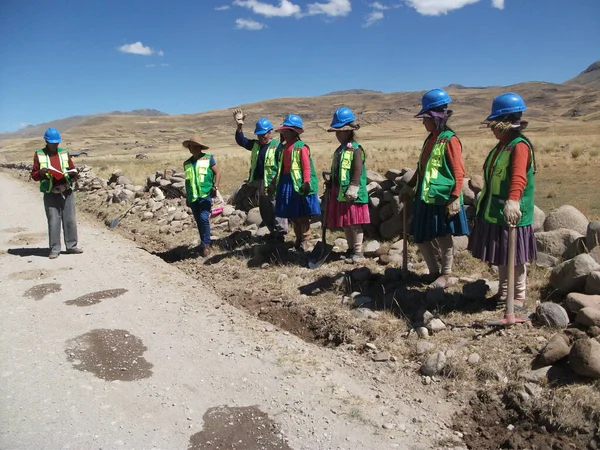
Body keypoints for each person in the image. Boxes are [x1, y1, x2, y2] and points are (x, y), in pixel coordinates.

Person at [468, 93, 537, 311]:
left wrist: (513, 201)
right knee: (502, 257)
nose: (491, 129)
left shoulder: (519, 146)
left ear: (504, 123)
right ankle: (504, 293)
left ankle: (518, 296)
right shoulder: (501, 146)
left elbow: (518, 176)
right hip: (496, 210)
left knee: (515, 257)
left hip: (512, 212)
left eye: (493, 124)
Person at [401, 89, 469, 288]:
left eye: (425, 118)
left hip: (441, 197)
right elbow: (422, 168)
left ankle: (446, 274)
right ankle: (433, 271)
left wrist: (455, 196)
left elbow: (458, 170)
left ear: (434, 117)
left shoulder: (450, 139)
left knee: (442, 236)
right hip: (426, 196)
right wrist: (409, 185)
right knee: (421, 236)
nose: (423, 122)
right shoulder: (430, 139)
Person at [232, 109, 286, 240]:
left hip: (273, 182)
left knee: (275, 206)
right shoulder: (255, 145)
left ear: (270, 132)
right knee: (264, 208)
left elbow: (282, 165)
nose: (261, 137)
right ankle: (272, 231)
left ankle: (281, 233)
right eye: (259, 135)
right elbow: (241, 141)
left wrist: (275, 181)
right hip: (261, 182)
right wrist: (239, 126)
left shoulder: (277, 146)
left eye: (264, 134)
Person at [269, 114, 320, 252]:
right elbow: (280, 167)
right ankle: (298, 238)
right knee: (293, 215)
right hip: (286, 183)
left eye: (286, 131)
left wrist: (306, 182)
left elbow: (306, 166)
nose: (283, 133)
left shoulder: (301, 147)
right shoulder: (284, 148)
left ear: (293, 132)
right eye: (283, 131)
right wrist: (274, 182)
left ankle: (305, 239)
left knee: (302, 214)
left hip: (298, 185)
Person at [326, 107, 370, 263]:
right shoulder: (340, 150)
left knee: (355, 223)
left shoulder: (356, 149)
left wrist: (354, 186)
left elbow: (357, 169)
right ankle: (350, 249)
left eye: (340, 131)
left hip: (353, 192)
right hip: (341, 192)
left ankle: (358, 251)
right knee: (346, 223)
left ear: (348, 131)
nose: (337, 135)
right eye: (336, 132)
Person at [30, 128, 82, 259]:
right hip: (50, 192)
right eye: (52, 143)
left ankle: (72, 246)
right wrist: (40, 173)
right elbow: (34, 175)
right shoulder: (39, 154)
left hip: (66, 189)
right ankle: (54, 249)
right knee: (54, 220)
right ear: (46, 142)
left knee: (70, 219)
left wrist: (74, 176)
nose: (55, 145)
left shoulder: (64, 153)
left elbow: (71, 169)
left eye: (57, 143)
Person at [182, 135, 221, 257]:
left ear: (200, 147)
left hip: (205, 194)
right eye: (190, 146)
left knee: (204, 218)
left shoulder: (208, 158)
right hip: (193, 196)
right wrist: (187, 197)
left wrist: (216, 186)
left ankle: (206, 245)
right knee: (198, 221)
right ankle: (203, 242)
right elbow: (187, 182)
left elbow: (217, 172)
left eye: (194, 146)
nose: (192, 148)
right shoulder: (187, 163)